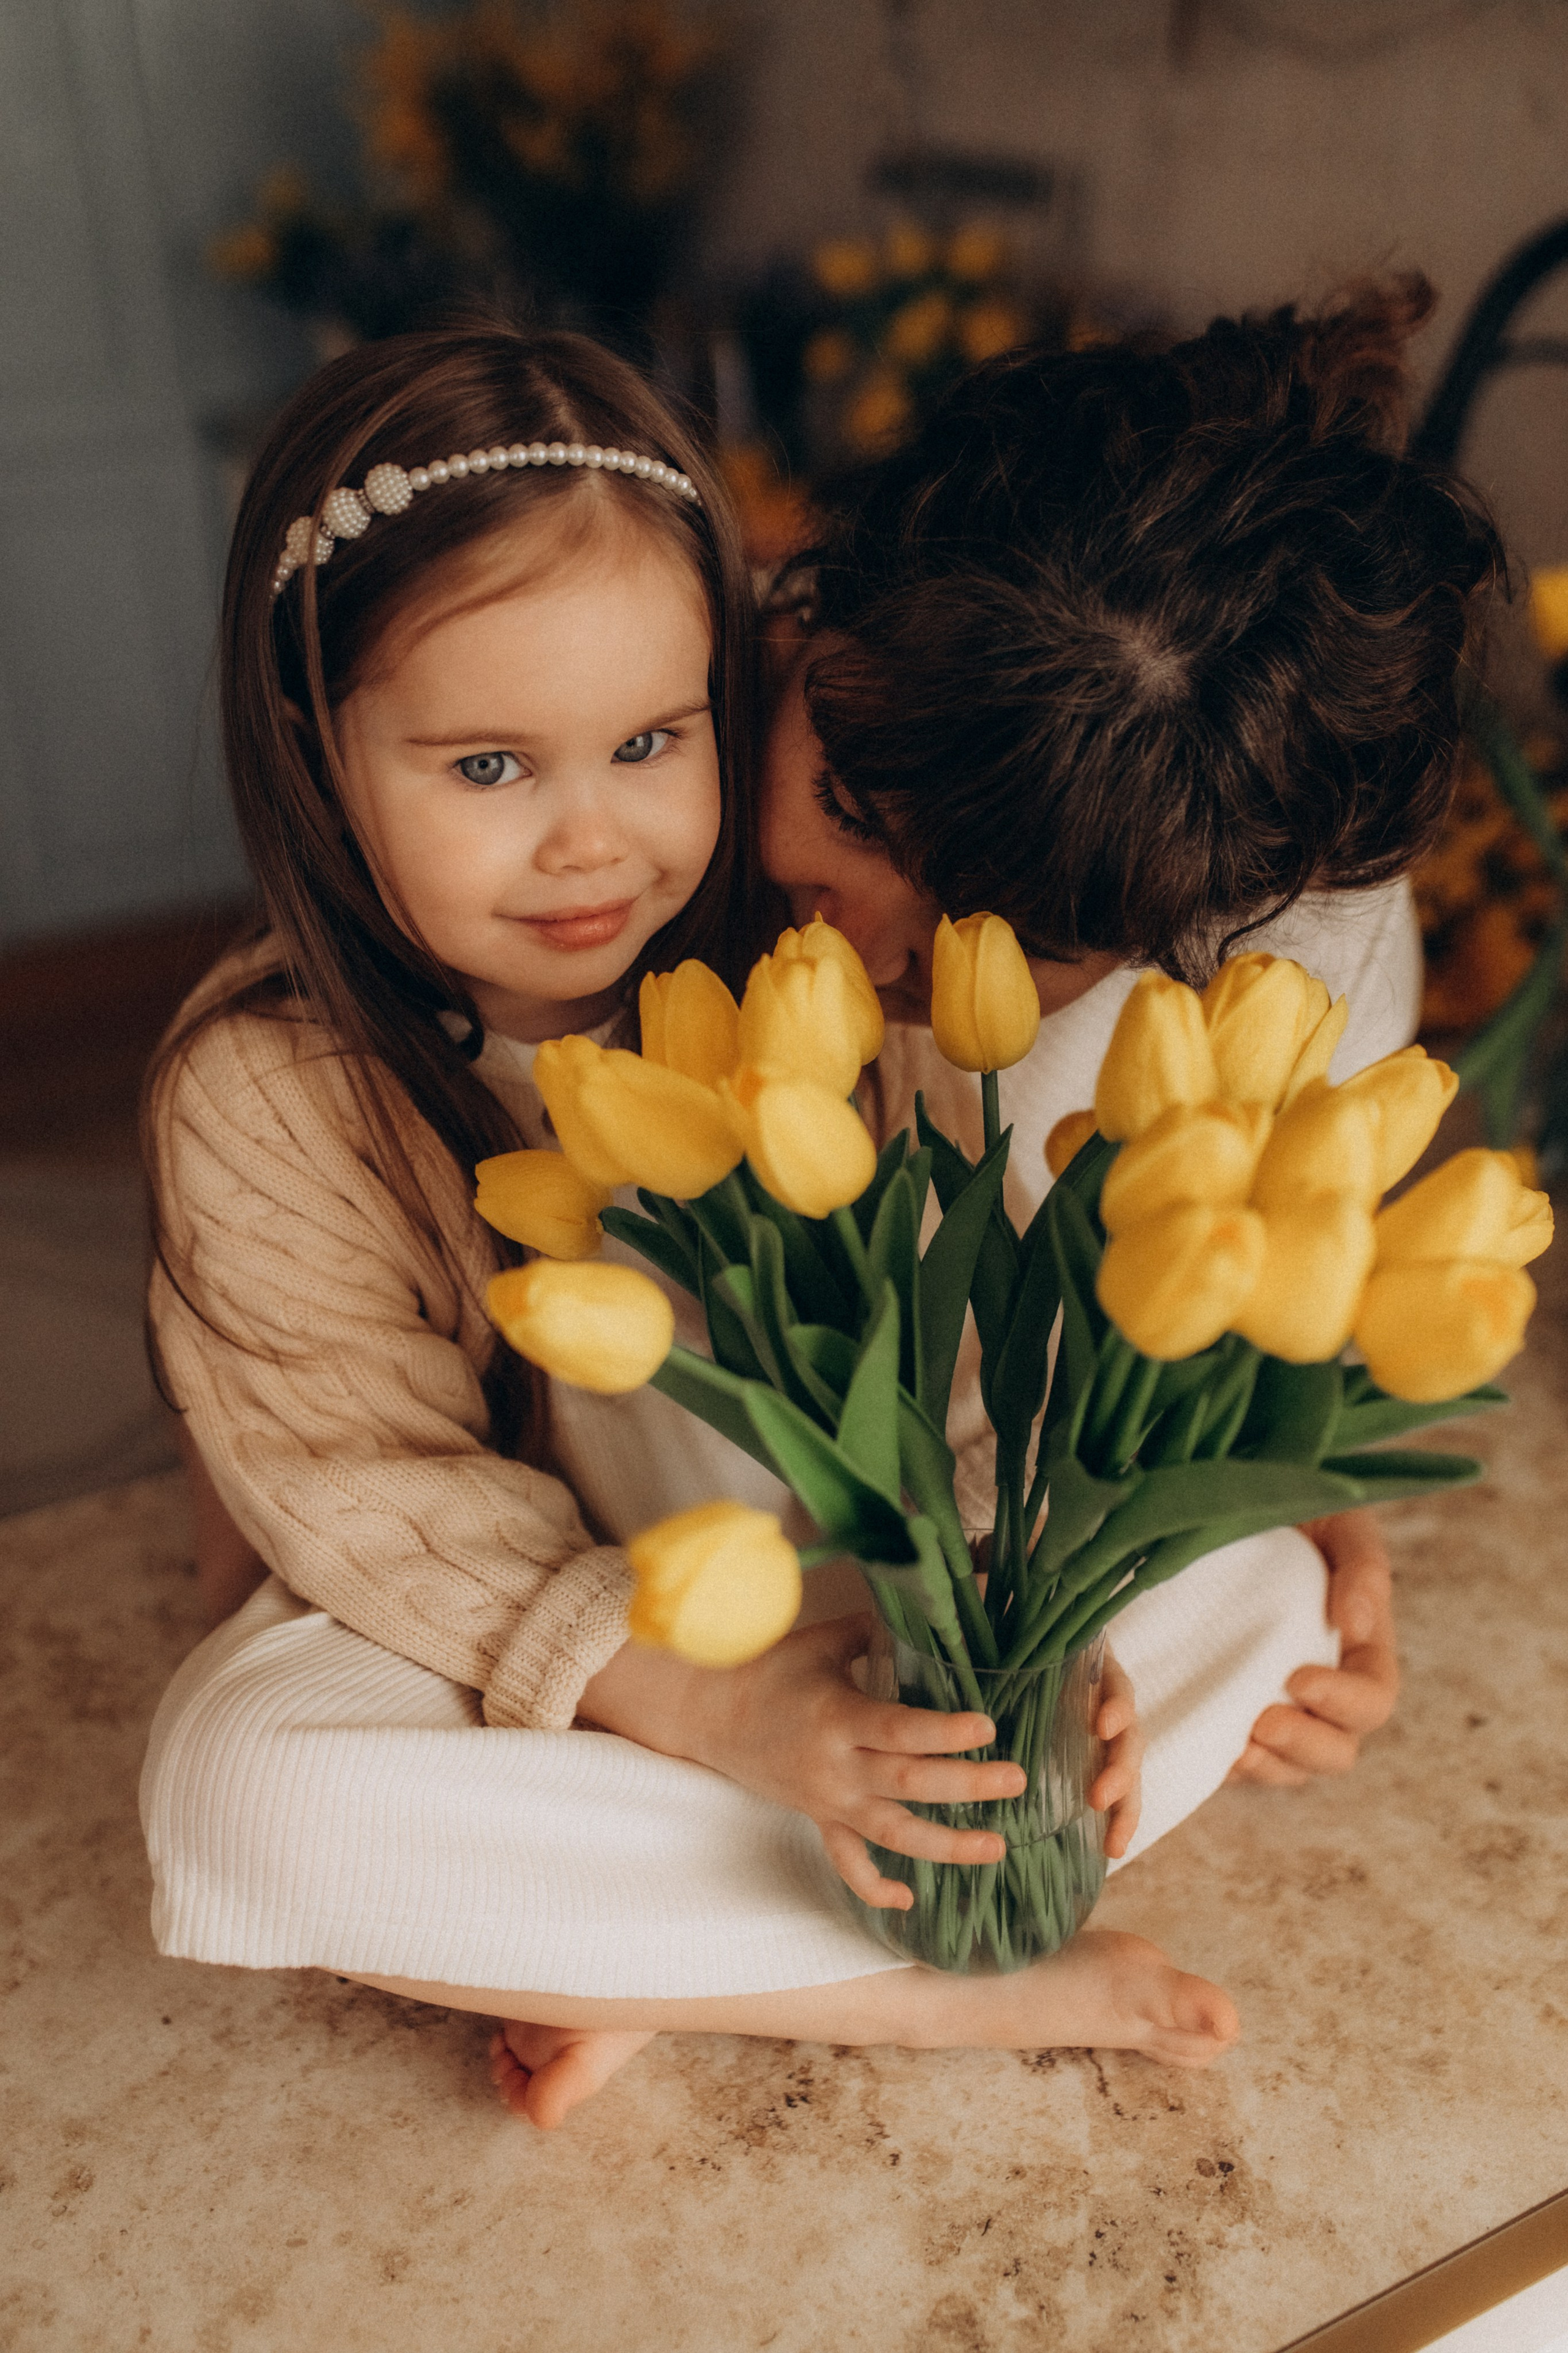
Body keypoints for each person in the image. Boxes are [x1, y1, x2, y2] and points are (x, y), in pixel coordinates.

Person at [140, 323, 1224, 2147]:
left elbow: (982, 1370)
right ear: (317, 758)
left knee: (1230, 1573)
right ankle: (886, 1982)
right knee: (226, 1786)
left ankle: (622, 1933)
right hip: (550, 1641)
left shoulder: (824, 986)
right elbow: (374, 1495)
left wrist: (1019, 1629)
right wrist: (719, 1709)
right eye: (490, 768)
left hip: (852, 1596)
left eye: (651, 741)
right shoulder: (265, 1093)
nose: (592, 843)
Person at [758, 276, 1499, 1839]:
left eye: (1014, 938)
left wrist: (1281, 1490)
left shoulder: (1290, 946)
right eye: (847, 812)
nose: (889, 946)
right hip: (679, 1511)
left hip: (982, 1531)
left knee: (1270, 1611)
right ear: (810, 615)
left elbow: (1247, 1340)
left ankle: (696, 1878)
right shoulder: (645, 748)